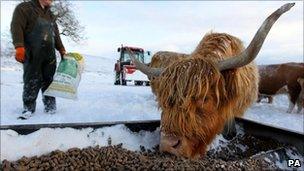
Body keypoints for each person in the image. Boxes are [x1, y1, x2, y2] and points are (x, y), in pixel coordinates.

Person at [10, 0, 66, 119]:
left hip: (49, 54)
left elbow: (55, 33)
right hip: (32, 52)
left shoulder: (51, 15)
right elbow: (16, 26)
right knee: (32, 79)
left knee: (49, 80)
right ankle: (28, 108)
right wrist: (19, 46)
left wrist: (61, 49)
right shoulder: (24, 8)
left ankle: (50, 107)